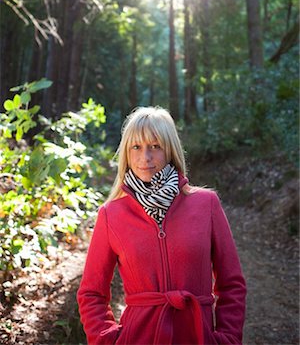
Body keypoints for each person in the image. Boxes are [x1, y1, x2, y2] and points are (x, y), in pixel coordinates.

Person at [77, 106, 247, 345]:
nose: (145, 158)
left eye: (155, 146)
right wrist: (108, 340)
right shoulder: (110, 214)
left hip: (198, 337)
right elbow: (91, 293)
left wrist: (227, 339)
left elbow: (232, 284)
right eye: (136, 147)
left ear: (170, 150)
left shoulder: (206, 204)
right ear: (127, 151)